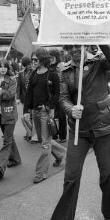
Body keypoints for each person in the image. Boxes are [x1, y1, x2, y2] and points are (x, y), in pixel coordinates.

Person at [41, 45, 110, 220]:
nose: (75, 50)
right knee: (70, 178)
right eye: (71, 47)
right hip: (79, 130)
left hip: (103, 127)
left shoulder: (99, 62)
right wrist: (70, 109)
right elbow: (63, 97)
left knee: (107, 172)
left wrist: (102, 38)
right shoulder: (65, 70)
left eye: (79, 45)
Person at [23, 47, 66, 184]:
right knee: (44, 140)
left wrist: (48, 107)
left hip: (45, 112)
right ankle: (61, 154)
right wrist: (25, 111)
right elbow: (29, 93)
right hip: (35, 112)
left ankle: (41, 173)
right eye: (32, 60)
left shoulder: (52, 74)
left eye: (36, 59)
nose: (33, 62)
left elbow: (57, 94)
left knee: (45, 144)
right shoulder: (34, 74)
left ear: (43, 59)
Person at [0, 59, 22, 179]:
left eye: (5, 67)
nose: (3, 69)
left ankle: (0, 169)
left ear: (8, 68)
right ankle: (16, 159)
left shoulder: (12, 80)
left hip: (9, 113)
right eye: (0, 67)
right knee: (9, 137)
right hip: (0, 114)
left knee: (6, 141)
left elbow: (9, 95)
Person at [48, 47, 67, 143]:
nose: (51, 59)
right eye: (49, 57)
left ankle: (63, 136)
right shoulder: (47, 67)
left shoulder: (61, 66)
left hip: (60, 93)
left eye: (53, 57)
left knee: (61, 115)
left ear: (57, 57)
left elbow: (64, 80)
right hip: (50, 94)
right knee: (51, 115)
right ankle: (54, 134)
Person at [17, 55, 33, 141]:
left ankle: (32, 134)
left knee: (31, 116)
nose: (29, 66)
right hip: (24, 97)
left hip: (33, 97)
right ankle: (29, 132)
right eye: (27, 64)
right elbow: (19, 86)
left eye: (30, 64)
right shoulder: (21, 73)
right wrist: (18, 98)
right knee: (25, 115)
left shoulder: (34, 72)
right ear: (24, 65)